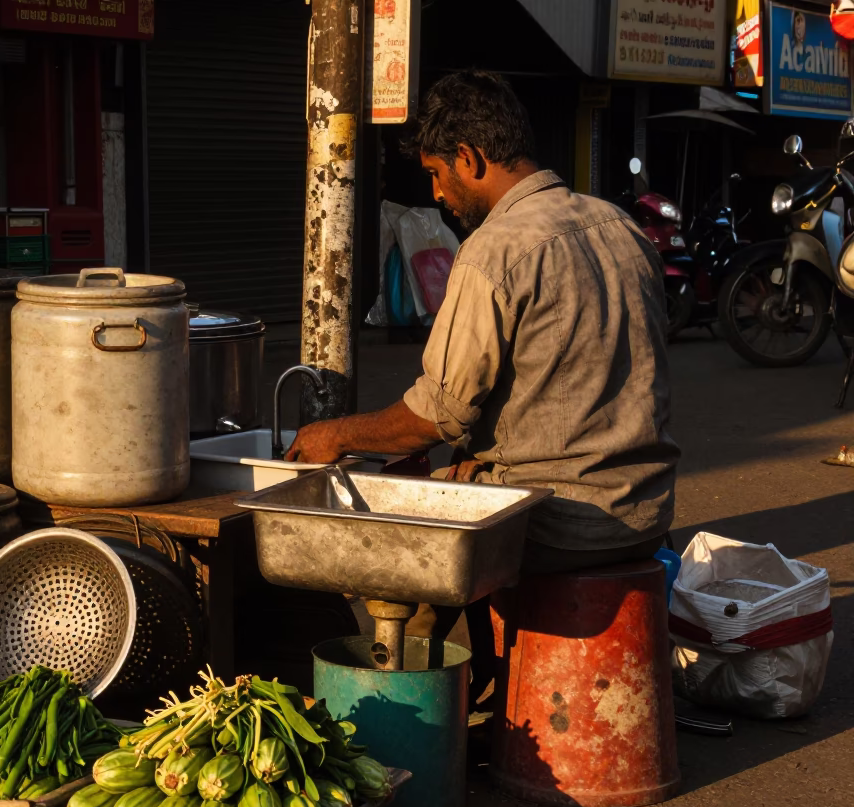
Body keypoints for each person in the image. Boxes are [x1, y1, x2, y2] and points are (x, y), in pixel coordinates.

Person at [286, 70, 680, 696]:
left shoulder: (494, 251)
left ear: (468, 159)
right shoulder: (619, 227)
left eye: (438, 175)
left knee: (397, 548)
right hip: (649, 505)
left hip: (562, 523)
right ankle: (488, 685)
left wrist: (337, 435)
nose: (438, 195)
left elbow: (434, 415)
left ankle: (403, 717)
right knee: (453, 482)